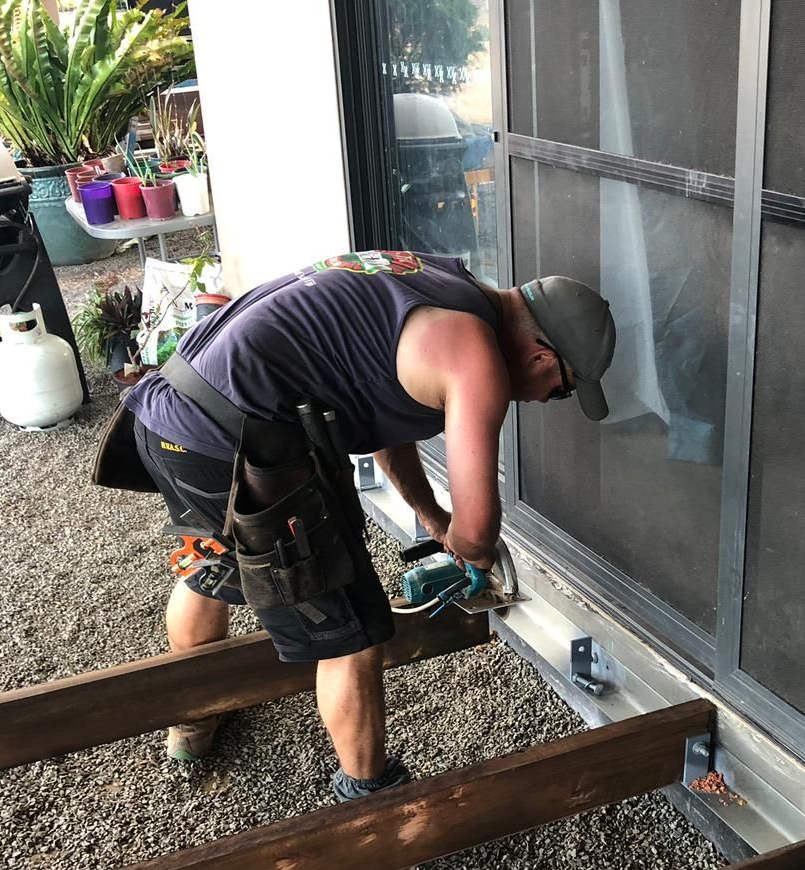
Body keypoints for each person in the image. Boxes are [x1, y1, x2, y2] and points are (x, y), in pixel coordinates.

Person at [127, 248, 616, 798]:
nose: (553, 398)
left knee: (216, 560)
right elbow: (479, 533)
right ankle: (369, 799)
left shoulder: (442, 281)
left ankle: (192, 723)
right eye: (564, 388)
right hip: (233, 440)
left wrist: (433, 518)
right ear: (542, 357)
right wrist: (471, 549)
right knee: (350, 634)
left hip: (170, 413)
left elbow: (383, 414)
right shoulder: (475, 358)